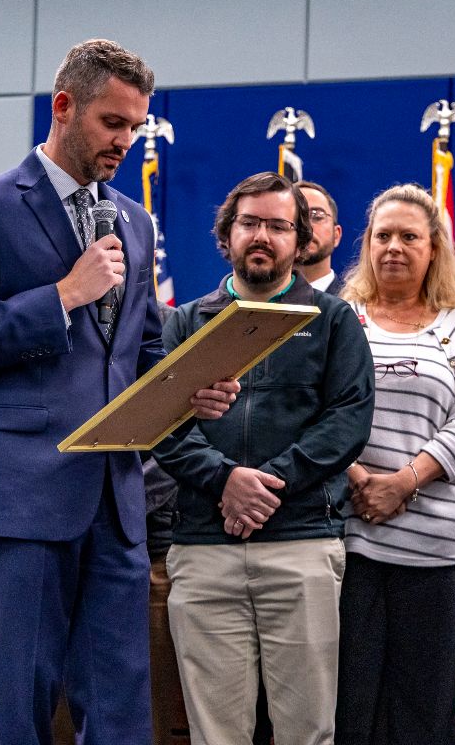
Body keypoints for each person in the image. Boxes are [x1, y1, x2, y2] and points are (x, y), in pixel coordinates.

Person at [0, 38, 236, 744]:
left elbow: (141, 347)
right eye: (112, 123)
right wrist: (61, 296)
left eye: (135, 127)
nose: (126, 141)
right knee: (21, 703)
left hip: (113, 498)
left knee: (122, 704)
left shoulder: (134, 218)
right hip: (19, 499)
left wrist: (193, 389)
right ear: (63, 107)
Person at [153, 171, 375, 745]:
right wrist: (225, 480)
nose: (263, 236)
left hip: (301, 543)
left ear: (300, 242)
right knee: (215, 734)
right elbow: (161, 423)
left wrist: (265, 485)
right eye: (250, 223)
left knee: (307, 732)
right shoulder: (184, 323)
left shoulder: (333, 321)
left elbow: (347, 422)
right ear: (226, 236)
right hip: (203, 551)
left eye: (279, 226)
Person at [330, 184, 455, 744]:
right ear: (366, 245)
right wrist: (359, 477)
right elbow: (317, 409)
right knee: (351, 707)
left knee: (427, 711)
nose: (394, 247)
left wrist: (403, 482)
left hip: (448, 545)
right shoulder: (339, 320)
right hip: (357, 538)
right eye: (383, 236)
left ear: (434, 249)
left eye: (409, 236)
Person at [295, 180, 343, 294]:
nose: (306, 226)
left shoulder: (357, 305)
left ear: (336, 235)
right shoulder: (258, 304)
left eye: (317, 216)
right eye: (296, 216)